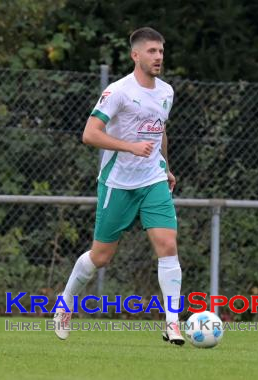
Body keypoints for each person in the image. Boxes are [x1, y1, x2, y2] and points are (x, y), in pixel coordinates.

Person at [53, 27, 184, 345]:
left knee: (167, 246)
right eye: (152, 51)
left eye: (161, 52)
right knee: (100, 257)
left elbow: (158, 131)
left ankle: (172, 323)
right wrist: (129, 147)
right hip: (118, 184)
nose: (158, 57)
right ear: (135, 55)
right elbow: (90, 133)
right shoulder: (118, 91)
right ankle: (65, 303)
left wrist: (165, 167)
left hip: (152, 180)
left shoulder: (165, 92)